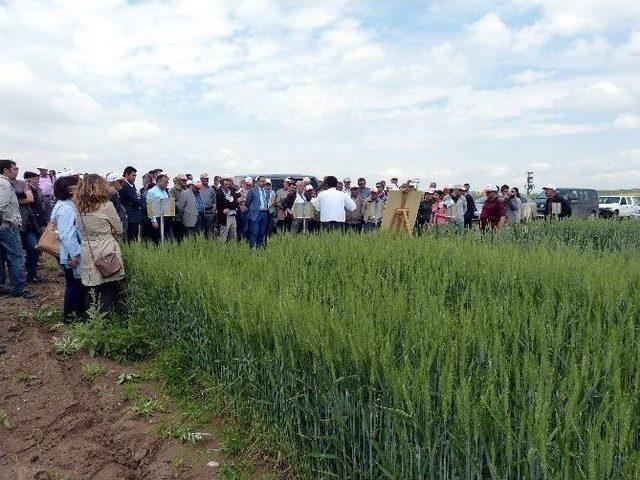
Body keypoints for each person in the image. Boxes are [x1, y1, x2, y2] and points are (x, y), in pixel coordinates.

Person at [74, 174, 125, 313]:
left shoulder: (78, 207)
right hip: (106, 247)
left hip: (87, 247)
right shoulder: (106, 206)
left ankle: (91, 316)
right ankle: (108, 317)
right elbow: (119, 229)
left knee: (91, 284)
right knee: (108, 284)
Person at [50, 175, 85, 321]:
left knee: (74, 284)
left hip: (70, 252)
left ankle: (73, 315)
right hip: (71, 254)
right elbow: (66, 235)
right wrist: (76, 255)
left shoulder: (64, 205)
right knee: (74, 285)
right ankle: (70, 317)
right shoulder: (66, 209)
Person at [0, 160, 35, 298]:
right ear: (6, 170)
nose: (17, 171)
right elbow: (1, 206)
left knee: (1, 256)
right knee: (16, 256)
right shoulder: (4, 184)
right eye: (14, 168)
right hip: (7, 226)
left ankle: (2, 284)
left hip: (4, 225)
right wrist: (11, 221)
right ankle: (18, 288)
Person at [20, 171, 47, 283]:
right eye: (35, 178)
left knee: (34, 249)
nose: (37, 180)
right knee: (33, 248)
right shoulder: (24, 190)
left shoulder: (37, 190)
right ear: (28, 179)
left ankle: (32, 273)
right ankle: (31, 275)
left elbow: (40, 206)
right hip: (28, 225)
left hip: (36, 223)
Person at [145, 173, 172, 243]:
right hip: (157, 219)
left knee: (164, 239)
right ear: (159, 181)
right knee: (156, 240)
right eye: (165, 182)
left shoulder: (165, 192)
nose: (167, 184)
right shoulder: (151, 192)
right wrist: (154, 221)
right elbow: (150, 207)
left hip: (165, 218)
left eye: (167, 182)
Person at [245, 176, 270, 248]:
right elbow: (247, 202)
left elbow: (267, 201)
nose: (264, 183)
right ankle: (252, 250)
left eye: (265, 181)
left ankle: (259, 249)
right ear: (258, 182)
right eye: (262, 181)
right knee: (254, 233)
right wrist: (253, 209)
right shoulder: (252, 191)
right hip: (255, 214)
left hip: (264, 214)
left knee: (262, 233)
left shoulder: (266, 191)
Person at [120, 166, 143, 242]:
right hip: (129, 217)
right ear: (126, 175)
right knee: (130, 239)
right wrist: (142, 200)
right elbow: (134, 200)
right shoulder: (124, 186)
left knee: (134, 238)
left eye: (135, 175)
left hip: (134, 217)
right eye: (133, 175)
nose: (135, 177)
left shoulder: (131, 185)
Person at [106, 172, 128, 241]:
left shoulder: (115, 193)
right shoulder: (111, 194)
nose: (122, 184)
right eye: (120, 182)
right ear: (114, 182)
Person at [216, 176, 239, 242]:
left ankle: (231, 251)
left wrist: (229, 205)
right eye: (226, 184)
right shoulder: (219, 192)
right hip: (224, 217)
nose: (228, 186)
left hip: (233, 216)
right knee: (223, 237)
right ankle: (221, 251)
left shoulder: (233, 190)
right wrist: (232, 204)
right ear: (222, 184)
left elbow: (236, 203)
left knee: (233, 237)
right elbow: (220, 204)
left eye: (229, 184)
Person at [199, 173, 217, 238]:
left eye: (207, 178)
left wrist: (213, 212)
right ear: (201, 179)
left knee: (210, 231)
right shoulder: (198, 188)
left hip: (209, 212)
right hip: (200, 212)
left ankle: (209, 244)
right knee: (200, 230)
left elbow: (214, 202)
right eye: (205, 178)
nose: (207, 180)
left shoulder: (211, 189)